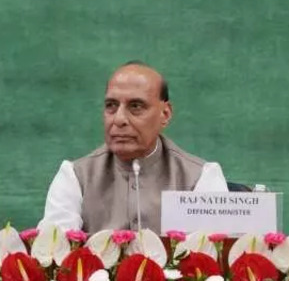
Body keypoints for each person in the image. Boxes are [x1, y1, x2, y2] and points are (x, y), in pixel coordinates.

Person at [41, 62, 227, 232]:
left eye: (136, 106)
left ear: (165, 114)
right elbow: (56, 254)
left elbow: (211, 256)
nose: (119, 119)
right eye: (111, 106)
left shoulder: (201, 177)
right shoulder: (74, 176)